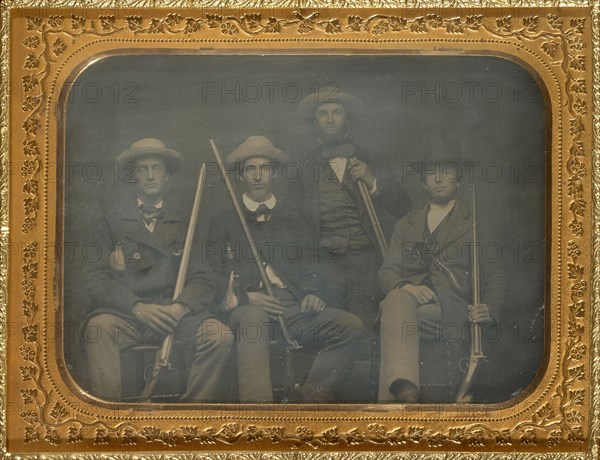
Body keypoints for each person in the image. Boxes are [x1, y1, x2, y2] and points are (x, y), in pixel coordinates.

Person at [207, 135, 364, 403]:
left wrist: (312, 292)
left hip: (292, 309)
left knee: (350, 326)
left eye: (264, 169)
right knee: (253, 320)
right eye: (250, 169)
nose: (257, 176)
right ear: (241, 176)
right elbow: (210, 275)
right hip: (248, 307)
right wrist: (246, 298)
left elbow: (311, 265)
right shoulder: (223, 221)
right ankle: (259, 416)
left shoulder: (294, 218)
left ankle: (311, 398)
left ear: (274, 173)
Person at [84, 138, 232, 402]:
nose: (150, 175)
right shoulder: (108, 222)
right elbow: (95, 278)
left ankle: (191, 417)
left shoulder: (187, 222)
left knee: (219, 335)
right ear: (133, 176)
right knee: (98, 328)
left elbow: (203, 278)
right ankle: (109, 419)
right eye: (142, 169)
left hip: (175, 314)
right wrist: (137, 307)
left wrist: (179, 309)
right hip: (128, 316)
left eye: (157, 168)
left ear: (167, 175)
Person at [377, 150, 506, 402]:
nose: (438, 179)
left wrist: (489, 309)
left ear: (457, 180)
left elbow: (494, 275)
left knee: (390, 308)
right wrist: (407, 287)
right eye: (431, 174)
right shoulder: (406, 224)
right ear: (423, 182)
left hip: (452, 308)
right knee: (395, 300)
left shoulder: (477, 222)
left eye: (446, 172)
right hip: (412, 306)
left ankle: (390, 402)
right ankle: (406, 393)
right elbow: (387, 272)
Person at [294, 89, 411, 324]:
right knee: (336, 330)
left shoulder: (373, 159)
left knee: (368, 330)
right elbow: (295, 225)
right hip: (325, 266)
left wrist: (372, 181)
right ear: (314, 122)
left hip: (367, 263)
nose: (329, 119)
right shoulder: (302, 168)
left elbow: (404, 207)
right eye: (323, 113)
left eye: (336, 112)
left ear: (347, 119)